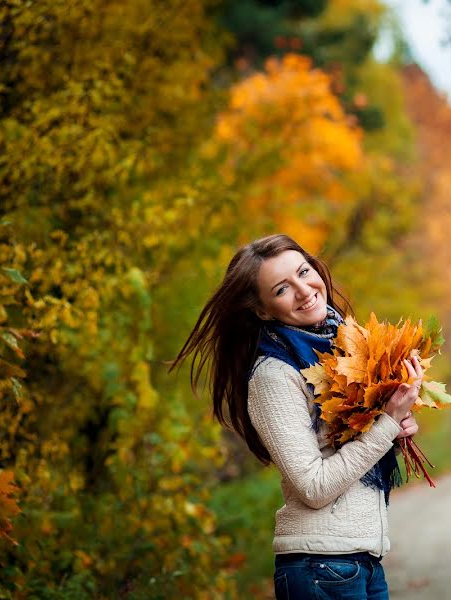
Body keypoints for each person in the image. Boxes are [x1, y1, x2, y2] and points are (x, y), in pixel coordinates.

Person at [172, 233, 422, 599]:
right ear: (261, 310)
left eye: (304, 272)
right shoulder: (274, 375)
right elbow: (314, 486)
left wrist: (393, 432)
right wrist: (385, 424)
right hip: (321, 569)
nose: (304, 290)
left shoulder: (341, 353)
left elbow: (344, 454)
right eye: (281, 289)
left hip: (361, 561)